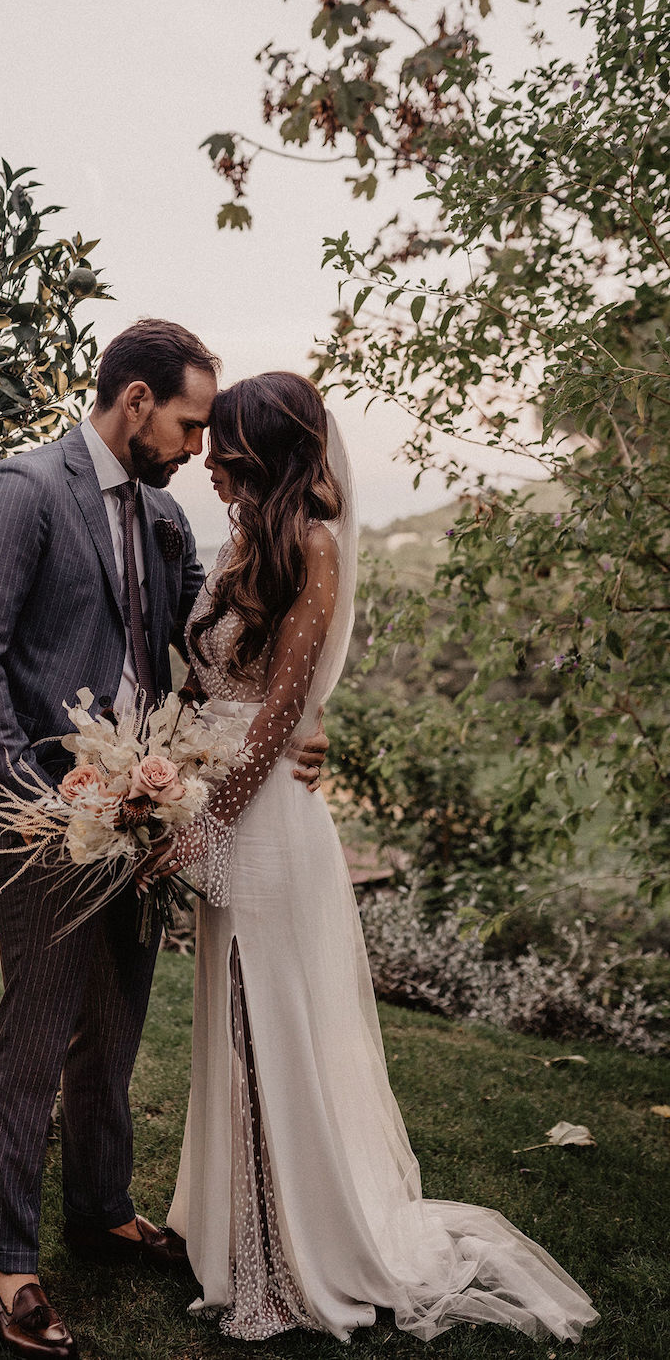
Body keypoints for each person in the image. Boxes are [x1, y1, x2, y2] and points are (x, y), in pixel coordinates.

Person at [164, 372, 600, 1345]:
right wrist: (168, 771)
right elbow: (212, 684)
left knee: (267, 1027)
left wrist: (210, 816)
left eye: (222, 441)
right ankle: (237, 1239)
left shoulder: (310, 544)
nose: (206, 456)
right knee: (231, 1024)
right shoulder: (240, 541)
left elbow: (281, 710)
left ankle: (285, 1265)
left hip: (266, 820)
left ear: (261, 448)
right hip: (219, 798)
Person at [0, 323, 328, 1360]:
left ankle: (101, 1208)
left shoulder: (159, 514)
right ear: (137, 399)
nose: (201, 447)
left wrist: (275, 730)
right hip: (46, 822)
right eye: (191, 422)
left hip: (146, 812)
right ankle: (10, 1259)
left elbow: (196, 650)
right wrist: (44, 802)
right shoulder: (24, 490)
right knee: (33, 1042)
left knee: (114, 1029)